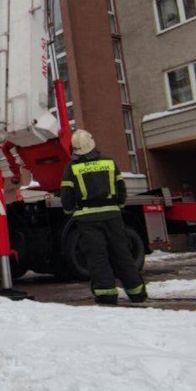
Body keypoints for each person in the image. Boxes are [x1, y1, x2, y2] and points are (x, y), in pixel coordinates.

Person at [61, 129, 148, 305]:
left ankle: (106, 294)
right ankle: (137, 292)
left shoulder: (72, 168)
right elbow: (121, 189)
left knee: (97, 257)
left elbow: (67, 198)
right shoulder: (109, 162)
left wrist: (70, 210)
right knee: (122, 253)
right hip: (112, 216)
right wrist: (117, 205)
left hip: (87, 219)